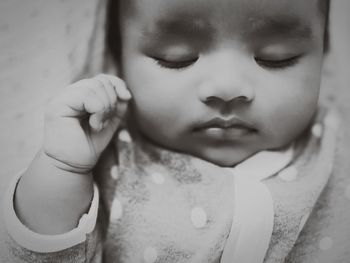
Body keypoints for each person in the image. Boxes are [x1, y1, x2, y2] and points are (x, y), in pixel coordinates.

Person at [3, 0, 340, 262]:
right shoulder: (113, 162)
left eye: (276, 57)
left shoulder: (337, 150)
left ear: (323, 55)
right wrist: (63, 168)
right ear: (118, 60)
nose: (226, 87)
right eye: (175, 57)